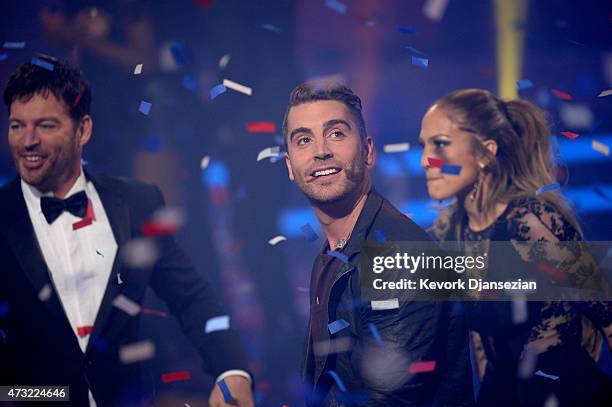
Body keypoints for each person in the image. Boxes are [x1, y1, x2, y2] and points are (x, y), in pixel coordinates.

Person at [0, 57, 254, 407]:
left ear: (83, 130)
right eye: (16, 126)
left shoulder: (137, 203)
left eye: (45, 126)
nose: (27, 141)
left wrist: (232, 372)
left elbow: (192, 298)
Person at [283, 81, 474, 406]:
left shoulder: (398, 254)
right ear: (290, 167)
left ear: (368, 150)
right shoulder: (333, 252)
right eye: (304, 139)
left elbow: (388, 397)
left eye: (336, 134)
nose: (320, 151)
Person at [419, 88, 612, 406]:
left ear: (485, 153)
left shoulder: (531, 222)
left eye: (439, 143)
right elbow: (479, 344)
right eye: (423, 144)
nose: (427, 160)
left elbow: (604, 312)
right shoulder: (452, 233)